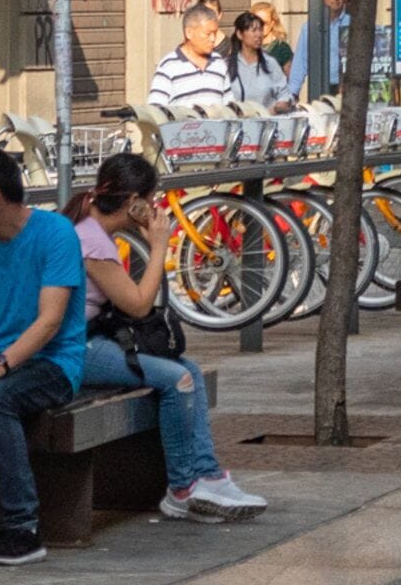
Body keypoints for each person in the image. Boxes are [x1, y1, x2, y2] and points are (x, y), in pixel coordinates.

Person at [70, 153, 270, 522]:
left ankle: (207, 474)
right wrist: (160, 245)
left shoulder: (91, 231)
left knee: (189, 369)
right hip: (73, 349)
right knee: (176, 379)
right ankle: (182, 488)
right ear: (134, 204)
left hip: (90, 340)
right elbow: (139, 306)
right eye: (153, 200)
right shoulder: (93, 244)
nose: (157, 207)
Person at [0, 144, 90, 567]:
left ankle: (21, 528)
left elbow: (50, 323)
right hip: (1, 357)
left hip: (55, 362)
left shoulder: (55, 234)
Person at [147, 0, 235, 115]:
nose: (213, 39)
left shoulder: (218, 63)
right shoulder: (169, 66)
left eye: (215, 33)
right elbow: (155, 111)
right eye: (208, 34)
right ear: (189, 33)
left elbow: (229, 107)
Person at [226, 8, 293, 109]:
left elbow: (285, 95)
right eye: (253, 30)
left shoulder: (270, 63)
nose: (258, 35)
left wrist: (278, 107)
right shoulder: (226, 65)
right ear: (240, 34)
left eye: (260, 30)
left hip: (266, 121)